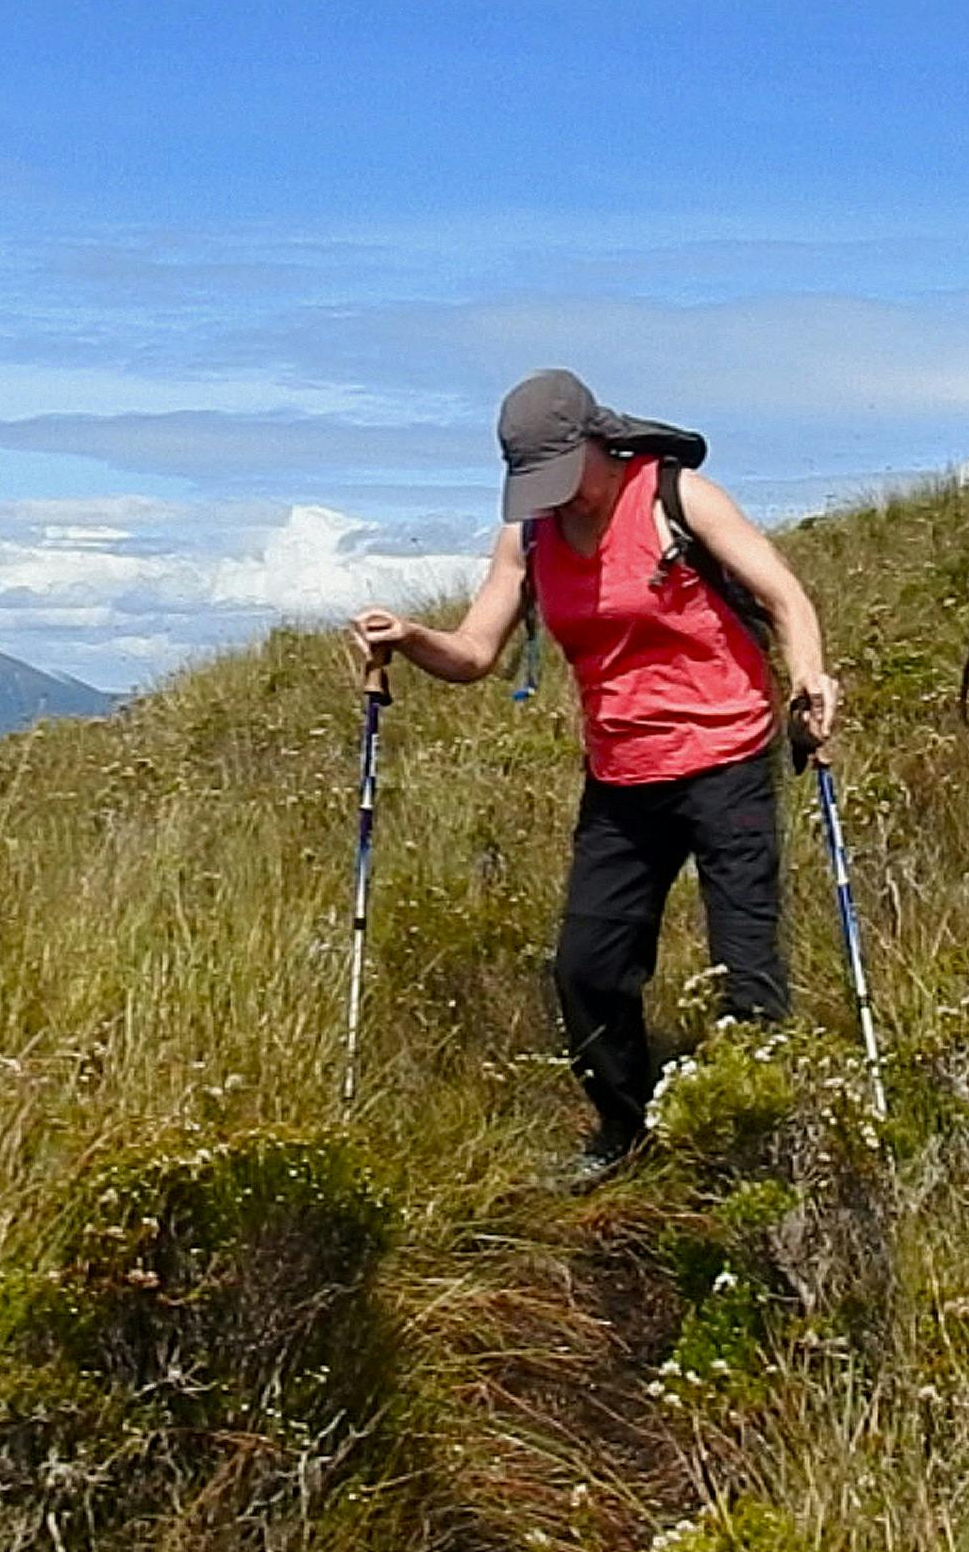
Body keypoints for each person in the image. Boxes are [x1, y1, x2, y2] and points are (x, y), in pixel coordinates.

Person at [351, 369, 838, 1181]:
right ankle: (628, 1128)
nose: (554, 495)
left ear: (593, 441)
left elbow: (785, 596)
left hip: (727, 760)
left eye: (560, 474)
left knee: (745, 971)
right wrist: (407, 635)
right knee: (587, 968)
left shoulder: (675, 497)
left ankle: (764, 1151)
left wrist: (810, 679)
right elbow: (473, 654)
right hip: (621, 774)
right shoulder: (531, 535)